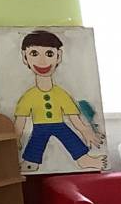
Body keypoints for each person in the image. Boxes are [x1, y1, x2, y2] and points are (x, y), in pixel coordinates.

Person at [12, 30, 106, 172]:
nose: (42, 61)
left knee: (70, 138)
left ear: (59, 56)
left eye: (49, 54)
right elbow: (21, 120)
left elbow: (73, 117)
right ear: (25, 57)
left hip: (59, 125)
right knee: (36, 141)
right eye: (34, 54)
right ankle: (30, 162)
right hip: (39, 127)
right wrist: (16, 137)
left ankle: (84, 160)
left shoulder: (61, 94)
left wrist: (85, 131)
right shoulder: (29, 96)